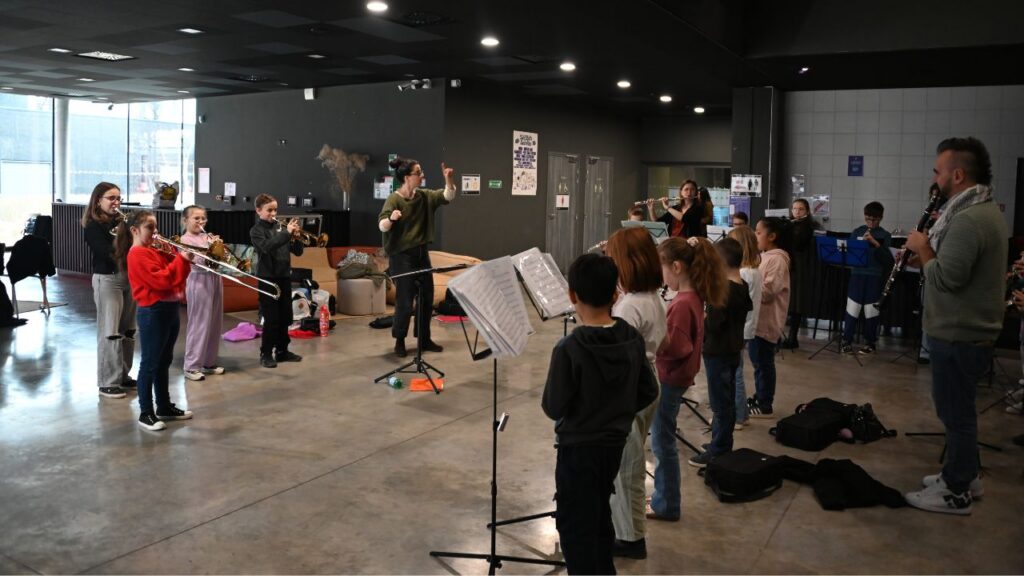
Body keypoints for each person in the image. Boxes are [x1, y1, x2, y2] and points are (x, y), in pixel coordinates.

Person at [903, 137, 1007, 515]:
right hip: (964, 332)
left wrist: (924, 247)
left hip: (960, 334)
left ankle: (956, 491)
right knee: (959, 411)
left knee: (956, 415)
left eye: (938, 170)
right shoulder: (977, 211)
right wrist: (925, 260)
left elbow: (948, 279)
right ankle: (966, 473)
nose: (935, 177)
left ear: (957, 175)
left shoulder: (968, 220)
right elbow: (953, 269)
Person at [542, 253, 658, 575]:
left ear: (572, 296)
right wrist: (617, 413)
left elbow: (553, 406)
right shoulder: (631, 338)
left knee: (575, 525)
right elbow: (649, 391)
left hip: (578, 449)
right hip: (613, 445)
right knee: (599, 512)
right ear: (615, 295)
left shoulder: (569, 347)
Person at [648, 237, 727, 521]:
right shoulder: (692, 297)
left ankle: (666, 503)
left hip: (670, 378)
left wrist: (651, 339)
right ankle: (664, 498)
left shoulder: (682, 304)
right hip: (677, 377)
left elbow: (678, 347)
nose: (662, 275)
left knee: (662, 442)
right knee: (663, 439)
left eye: (663, 268)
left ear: (677, 267)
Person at [603, 227, 666, 560]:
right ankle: (627, 528)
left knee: (626, 465)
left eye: (613, 257)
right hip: (645, 382)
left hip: (630, 389)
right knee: (630, 459)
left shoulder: (630, 307)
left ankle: (630, 538)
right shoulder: (650, 297)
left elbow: (616, 356)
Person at [119, 210, 193, 431]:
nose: (156, 232)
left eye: (155, 226)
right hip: (153, 311)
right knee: (150, 363)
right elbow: (162, 281)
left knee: (164, 361)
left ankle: (163, 406)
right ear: (134, 230)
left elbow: (177, 275)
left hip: (170, 308)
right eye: (150, 227)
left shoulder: (154, 249)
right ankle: (145, 412)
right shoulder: (137, 254)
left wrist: (179, 255)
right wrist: (180, 259)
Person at [378, 158, 457, 357]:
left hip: (422, 254)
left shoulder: (425, 196)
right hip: (402, 256)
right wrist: (391, 218)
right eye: (418, 173)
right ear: (407, 177)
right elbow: (381, 226)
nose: (422, 176)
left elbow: (448, 195)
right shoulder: (394, 200)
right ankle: (400, 340)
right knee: (404, 300)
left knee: (426, 298)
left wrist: (448, 179)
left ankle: (424, 338)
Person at [690, 238, 752, 467]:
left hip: (718, 352)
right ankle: (720, 439)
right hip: (733, 349)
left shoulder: (724, 291)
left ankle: (719, 449)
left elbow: (713, 326)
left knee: (720, 404)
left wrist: (702, 320)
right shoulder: (741, 285)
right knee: (724, 401)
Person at [82, 182, 137, 399]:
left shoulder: (123, 221)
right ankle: (107, 381)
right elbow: (105, 252)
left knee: (128, 329)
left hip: (128, 277)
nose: (116, 202)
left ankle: (123, 374)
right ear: (98, 200)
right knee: (110, 331)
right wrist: (132, 248)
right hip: (108, 279)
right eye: (111, 198)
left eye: (119, 198)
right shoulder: (93, 225)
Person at [250, 194, 304, 368]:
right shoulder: (256, 231)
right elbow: (267, 247)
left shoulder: (281, 228)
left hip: (284, 276)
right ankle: (265, 353)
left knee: (285, 316)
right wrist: (287, 233)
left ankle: (282, 351)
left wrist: (296, 237)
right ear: (259, 211)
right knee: (271, 318)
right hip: (268, 278)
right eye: (269, 210)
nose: (273, 213)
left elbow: (298, 252)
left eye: (275, 209)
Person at [746, 217, 791, 418]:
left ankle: (765, 403)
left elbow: (769, 291)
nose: (756, 236)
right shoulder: (764, 256)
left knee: (763, 363)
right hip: (758, 321)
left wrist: (746, 285)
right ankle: (759, 395)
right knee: (758, 361)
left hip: (767, 321)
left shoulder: (778, 259)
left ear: (772, 236)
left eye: (758, 232)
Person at [179, 206, 225, 381]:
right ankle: (191, 366)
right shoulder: (185, 239)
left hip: (215, 278)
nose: (200, 222)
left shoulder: (207, 237)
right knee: (199, 323)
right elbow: (196, 261)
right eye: (196, 218)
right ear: (185, 220)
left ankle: (208, 362)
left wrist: (218, 247)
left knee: (214, 322)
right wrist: (212, 248)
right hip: (198, 280)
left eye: (203, 218)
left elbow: (218, 262)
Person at [840, 202, 892, 355]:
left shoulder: (885, 235)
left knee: (871, 310)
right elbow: (849, 253)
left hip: (875, 276)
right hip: (857, 274)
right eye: (868, 219)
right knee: (852, 309)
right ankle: (846, 340)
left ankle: (870, 342)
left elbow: (888, 260)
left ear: (881, 218)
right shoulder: (858, 231)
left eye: (874, 220)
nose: (870, 223)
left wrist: (875, 243)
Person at [729, 225, 762, 430]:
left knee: (735, 373)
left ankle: (739, 416)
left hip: (740, 327)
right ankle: (742, 414)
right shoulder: (754, 271)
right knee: (737, 370)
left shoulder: (744, 273)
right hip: (746, 327)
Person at [781, 198, 819, 349]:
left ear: (807, 211)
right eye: (794, 208)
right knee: (785, 300)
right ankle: (780, 335)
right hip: (788, 264)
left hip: (799, 265)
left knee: (796, 301)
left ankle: (792, 337)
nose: (796, 211)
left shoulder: (807, 226)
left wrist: (785, 229)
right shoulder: (790, 224)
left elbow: (798, 243)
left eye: (800, 209)